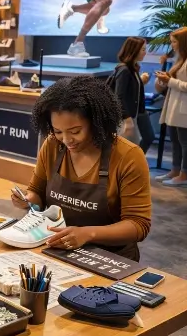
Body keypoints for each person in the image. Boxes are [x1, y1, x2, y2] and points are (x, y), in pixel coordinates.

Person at [12, 76, 151, 260]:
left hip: (110, 258)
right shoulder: (53, 146)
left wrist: (87, 234)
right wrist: (28, 200)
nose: (67, 140)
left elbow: (138, 224)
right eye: (58, 131)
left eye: (76, 131)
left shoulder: (128, 156)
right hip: (57, 250)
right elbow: (37, 192)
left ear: (96, 121)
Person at [154, 27, 187, 188]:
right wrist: (166, 79)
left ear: (183, 42)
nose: (172, 45)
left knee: (185, 141)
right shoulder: (182, 59)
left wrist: (170, 81)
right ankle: (175, 171)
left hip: (185, 108)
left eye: (174, 42)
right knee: (175, 141)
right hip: (175, 106)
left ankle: (184, 175)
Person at [112, 37, 154, 153]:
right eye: (142, 50)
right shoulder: (124, 70)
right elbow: (119, 96)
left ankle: (135, 164)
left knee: (146, 138)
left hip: (138, 112)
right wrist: (127, 118)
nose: (145, 52)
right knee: (127, 146)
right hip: (130, 114)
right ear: (134, 50)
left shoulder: (132, 68)